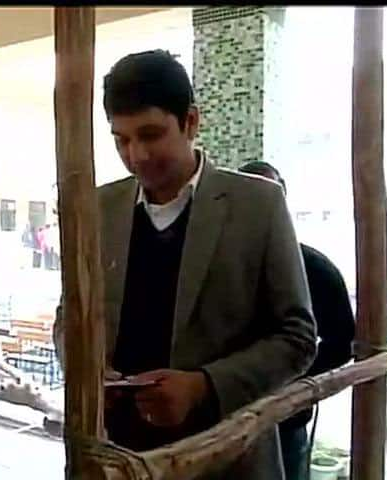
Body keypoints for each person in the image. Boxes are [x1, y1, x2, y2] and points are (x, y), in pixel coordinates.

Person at [53, 49, 317, 479]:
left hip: (226, 459)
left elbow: (298, 336)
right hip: (114, 458)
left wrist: (204, 386)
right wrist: (87, 372)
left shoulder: (258, 205)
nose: (136, 155)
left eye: (151, 134)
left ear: (191, 122)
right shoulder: (97, 209)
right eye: (121, 139)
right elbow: (70, 317)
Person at [238, 161, 355, 480]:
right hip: (223, 417)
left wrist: (293, 381)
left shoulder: (315, 269)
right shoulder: (215, 268)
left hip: (286, 420)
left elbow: (342, 342)